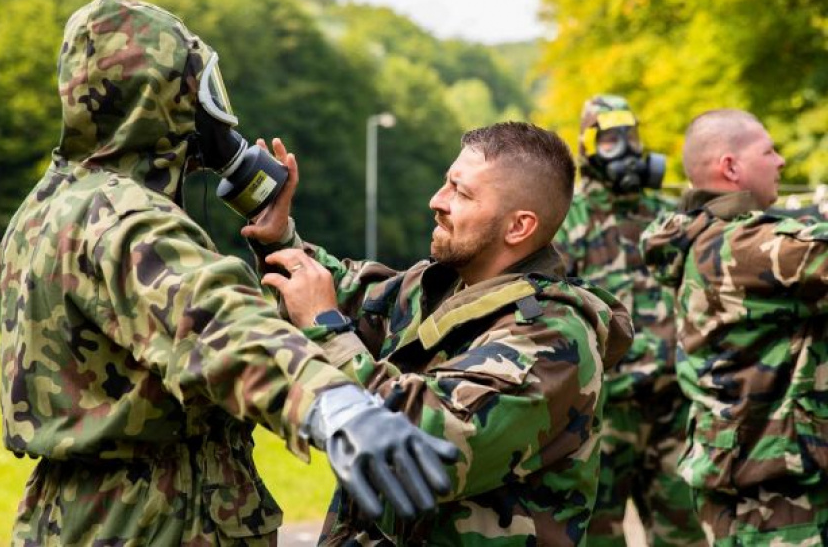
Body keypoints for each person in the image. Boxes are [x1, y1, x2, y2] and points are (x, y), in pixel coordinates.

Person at [0, 0, 456, 546]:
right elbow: (218, 323)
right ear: (162, 99)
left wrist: (276, 239)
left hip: (71, 514)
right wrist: (334, 404)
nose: (215, 119)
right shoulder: (131, 221)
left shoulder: (44, 209)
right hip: (157, 519)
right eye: (202, 92)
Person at [240, 123, 634, 545]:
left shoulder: (550, 340)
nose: (437, 200)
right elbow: (346, 293)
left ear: (518, 227)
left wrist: (326, 328)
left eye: (461, 193)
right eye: (447, 182)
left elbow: (418, 447)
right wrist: (277, 233)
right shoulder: (445, 285)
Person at [640, 109, 828, 545]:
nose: (780, 160)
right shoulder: (740, 246)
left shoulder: (711, 235)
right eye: (768, 151)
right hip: (773, 502)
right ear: (731, 167)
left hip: (765, 484)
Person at [553, 95, 705, 545]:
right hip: (603, 410)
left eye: (630, 135)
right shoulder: (568, 219)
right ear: (587, 146)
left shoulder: (666, 216)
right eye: (610, 138)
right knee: (598, 534)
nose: (624, 148)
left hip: (671, 406)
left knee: (684, 531)